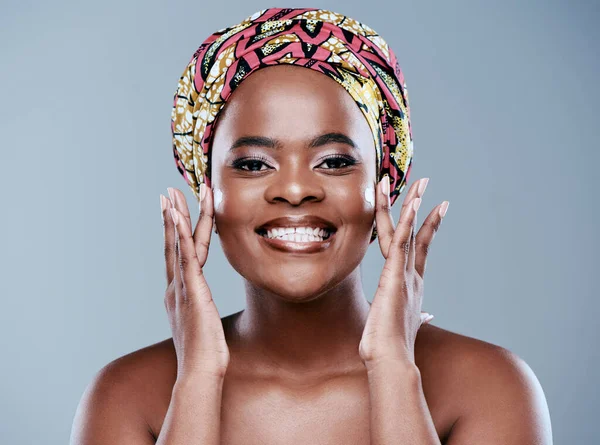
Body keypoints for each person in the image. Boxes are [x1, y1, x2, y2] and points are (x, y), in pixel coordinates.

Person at [70, 8, 552, 445]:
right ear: (208, 193)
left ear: (387, 186)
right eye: (255, 164)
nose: (296, 189)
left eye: (335, 160)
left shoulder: (489, 386)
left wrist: (392, 369)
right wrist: (196, 378)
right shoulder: (127, 396)